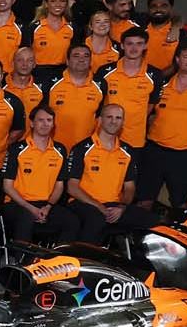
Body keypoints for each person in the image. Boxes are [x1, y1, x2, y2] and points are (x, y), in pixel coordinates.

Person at [140, 39, 187, 211]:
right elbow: (147, 113)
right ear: (177, 59)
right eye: (185, 56)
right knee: (144, 201)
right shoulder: (161, 84)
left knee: (180, 203)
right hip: (155, 151)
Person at [66, 103, 156, 244]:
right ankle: (82, 259)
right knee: (96, 219)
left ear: (123, 122)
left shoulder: (127, 152)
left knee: (151, 220)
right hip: (84, 203)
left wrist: (122, 207)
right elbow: (72, 187)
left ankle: (134, 264)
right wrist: (99, 206)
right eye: (109, 117)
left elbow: (130, 188)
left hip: (114, 205)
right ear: (100, 120)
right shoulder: (81, 149)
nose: (113, 121)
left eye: (118, 118)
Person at [2, 105, 77, 246]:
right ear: (32, 123)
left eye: (49, 120)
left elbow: (59, 185)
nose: (45, 124)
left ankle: (58, 262)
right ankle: (23, 263)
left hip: (46, 204)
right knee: (26, 217)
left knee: (71, 221)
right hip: (18, 204)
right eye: (40, 120)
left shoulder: (60, 150)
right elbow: (7, 186)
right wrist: (31, 208)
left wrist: (48, 207)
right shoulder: (16, 149)